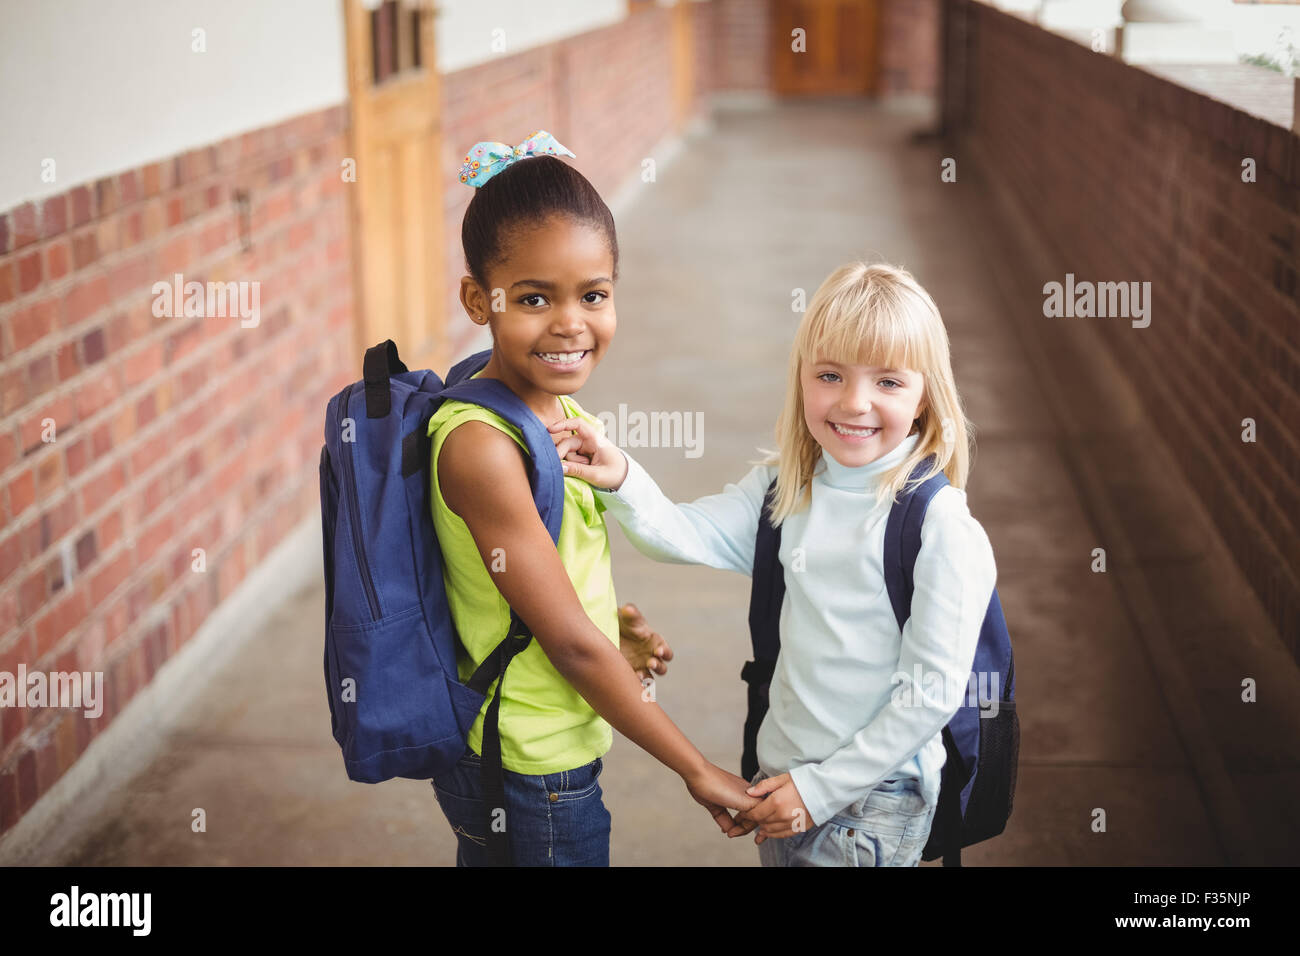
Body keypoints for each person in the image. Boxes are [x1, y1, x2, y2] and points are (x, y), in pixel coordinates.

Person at [551, 261, 998, 866]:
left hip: (875, 795)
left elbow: (928, 697)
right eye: (831, 375)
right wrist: (622, 475)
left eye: (888, 382)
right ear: (802, 380)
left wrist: (818, 792)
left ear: (926, 397)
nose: (854, 402)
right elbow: (683, 534)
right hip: (780, 776)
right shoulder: (786, 489)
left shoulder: (939, 528)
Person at [428, 131, 757, 867]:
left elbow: (541, 588)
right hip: (525, 761)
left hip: (547, 741)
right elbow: (568, 643)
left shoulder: (565, 417)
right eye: (535, 297)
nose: (571, 322)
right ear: (479, 299)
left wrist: (610, 627)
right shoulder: (481, 445)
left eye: (594, 295)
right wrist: (696, 769)